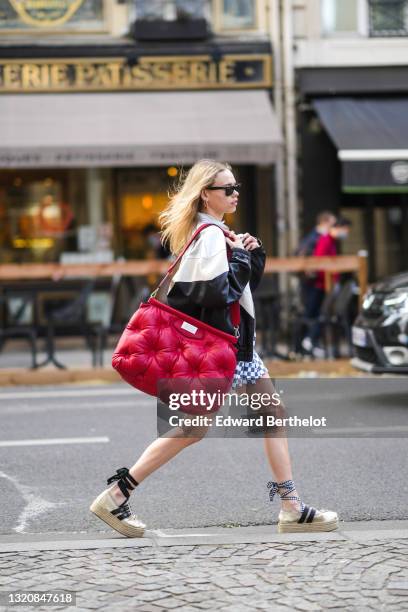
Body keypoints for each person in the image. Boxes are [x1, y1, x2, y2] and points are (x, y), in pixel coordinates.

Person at [90, 160, 338, 536]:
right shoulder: (208, 235)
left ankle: (290, 505)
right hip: (221, 346)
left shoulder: (216, 232)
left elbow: (232, 292)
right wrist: (238, 256)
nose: (236, 193)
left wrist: (250, 257)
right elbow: (213, 294)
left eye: (236, 187)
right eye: (227, 188)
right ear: (206, 193)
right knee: (208, 427)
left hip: (231, 345)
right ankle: (117, 494)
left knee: (260, 418)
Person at [302, 217, 352, 357]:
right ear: (340, 227)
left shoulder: (331, 241)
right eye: (346, 229)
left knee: (321, 314)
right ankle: (309, 340)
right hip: (321, 284)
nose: (346, 233)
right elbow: (319, 261)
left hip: (326, 284)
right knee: (318, 314)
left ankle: (311, 341)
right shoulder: (325, 240)